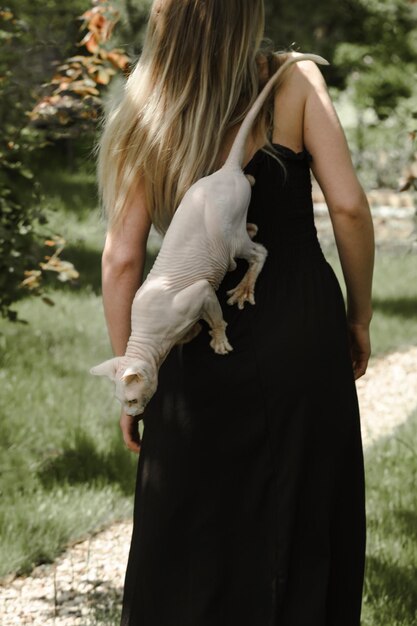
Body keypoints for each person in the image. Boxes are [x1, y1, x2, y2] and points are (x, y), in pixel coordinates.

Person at [97, 1, 374, 624]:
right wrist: (359, 318)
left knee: (192, 531)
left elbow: (121, 259)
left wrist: (134, 373)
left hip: (190, 340)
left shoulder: (151, 101)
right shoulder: (292, 79)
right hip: (300, 327)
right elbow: (351, 208)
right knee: (304, 516)